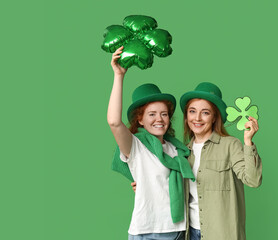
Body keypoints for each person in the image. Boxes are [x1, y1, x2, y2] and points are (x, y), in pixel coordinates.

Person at [107, 47, 195, 240]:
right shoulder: (136, 146)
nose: (159, 119)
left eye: (164, 114)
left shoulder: (178, 150)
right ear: (140, 120)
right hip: (143, 231)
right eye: (152, 114)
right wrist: (119, 76)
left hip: (174, 231)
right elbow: (114, 122)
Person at [180, 82, 263, 240]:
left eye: (205, 113)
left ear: (214, 117)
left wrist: (248, 142)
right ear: (186, 116)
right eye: (192, 111)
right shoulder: (184, 152)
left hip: (222, 234)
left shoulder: (230, 145)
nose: (197, 118)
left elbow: (253, 180)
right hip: (190, 233)